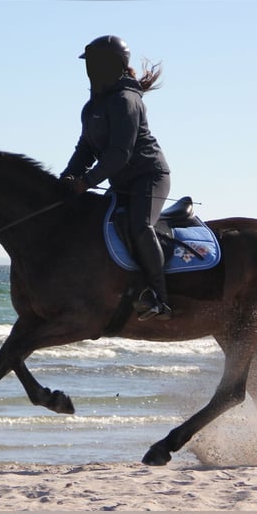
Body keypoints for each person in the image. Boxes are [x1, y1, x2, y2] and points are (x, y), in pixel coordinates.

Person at [60, 35, 172, 321]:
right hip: (120, 182)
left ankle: (160, 298)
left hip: (149, 176)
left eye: (95, 64)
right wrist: (66, 178)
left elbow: (119, 153)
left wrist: (86, 182)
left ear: (112, 65)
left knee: (140, 226)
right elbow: (85, 149)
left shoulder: (127, 99)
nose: (90, 71)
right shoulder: (93, 105)